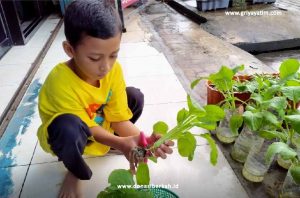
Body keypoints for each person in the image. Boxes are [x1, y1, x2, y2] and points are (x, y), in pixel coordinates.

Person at [37, 0, 174, 197]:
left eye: (113, 55)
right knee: (68, 128)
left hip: (100, 127)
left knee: (134, 97)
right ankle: (74, 170)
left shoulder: (112, 71)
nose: (106, 67)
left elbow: (119, 118)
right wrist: (122, 143)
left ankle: (113, 145)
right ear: (70, 50)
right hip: (71, 137)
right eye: (94, 58)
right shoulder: (59, 82)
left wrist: (145, 145)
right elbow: (87, 128)